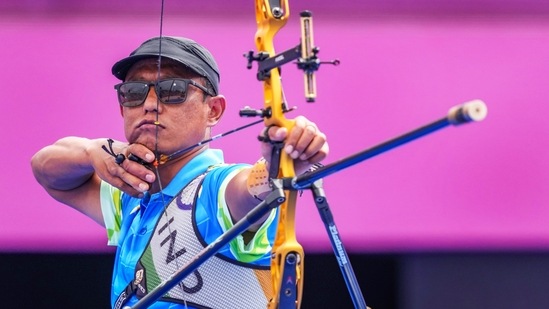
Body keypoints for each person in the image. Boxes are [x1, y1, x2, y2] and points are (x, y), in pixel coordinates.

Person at [31, 36, 328, 308]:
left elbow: (251, 188)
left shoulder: (214, 190)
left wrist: (282, 161)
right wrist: (92, 151)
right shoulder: (133, 195)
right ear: (122, 108)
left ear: (213, 110)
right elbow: (47, 171)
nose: (149, 104)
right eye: (133, 92)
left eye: (172, 90)